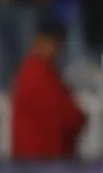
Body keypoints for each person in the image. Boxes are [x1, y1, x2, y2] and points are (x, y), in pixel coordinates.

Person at [10, 20, 86, 160]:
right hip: (42, 160)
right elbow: (64, 118)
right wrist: (80, 117)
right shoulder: (36, 73)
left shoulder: (43, 70)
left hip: (38, 159)